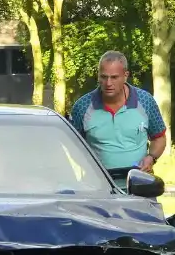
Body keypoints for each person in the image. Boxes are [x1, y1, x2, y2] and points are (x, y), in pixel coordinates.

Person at [68, 51, 167, 180]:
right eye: (103, 77)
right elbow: (73, 146)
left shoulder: (144, 101)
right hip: (98, 188)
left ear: (125, 76)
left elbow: (159, 137)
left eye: (114, 77)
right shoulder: (82, 107)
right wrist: (89, 167)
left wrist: (151, 158)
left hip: (139, 186)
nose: (108, 83)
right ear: (98, 76)